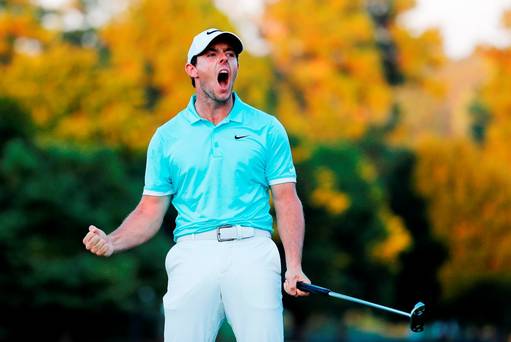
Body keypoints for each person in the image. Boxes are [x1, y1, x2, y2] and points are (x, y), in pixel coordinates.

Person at [82, 28, 310, 341]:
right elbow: (150, 210)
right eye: (213, 55)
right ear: (192, 69)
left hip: (254, 251)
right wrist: (112, 241)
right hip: (192, 253)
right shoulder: (167, 137)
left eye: (230, 55)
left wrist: (294, 266)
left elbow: (287, 200)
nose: (224, 60)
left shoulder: (267, 128)